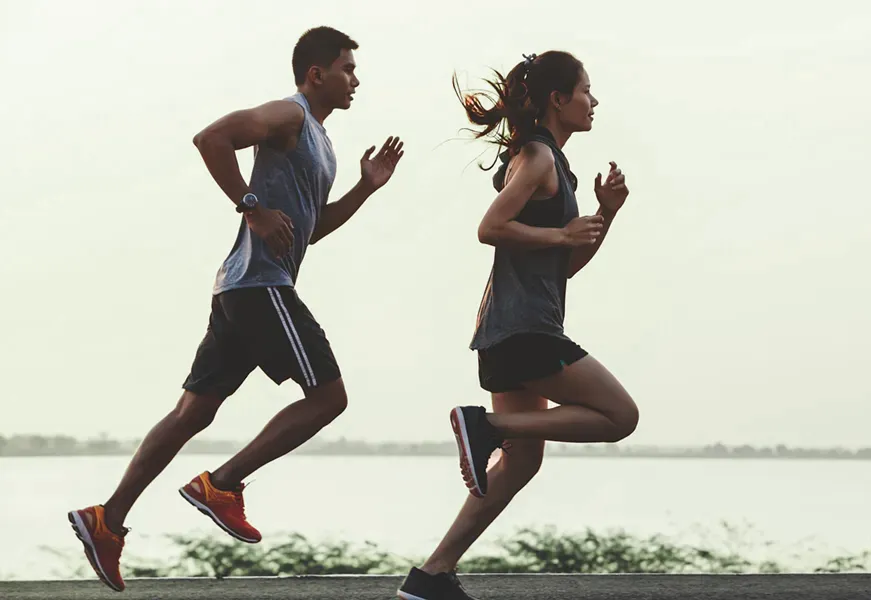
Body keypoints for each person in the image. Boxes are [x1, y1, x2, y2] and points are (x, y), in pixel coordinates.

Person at [67, 26, 405, 592]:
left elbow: (309, 231)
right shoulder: (288, 114)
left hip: (240, 288)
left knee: (192, 413)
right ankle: (221, 484)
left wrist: (366, 188)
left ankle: (107, 520)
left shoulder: (319, 140)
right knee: (328, 397)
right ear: (316, 74)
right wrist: (250, 207)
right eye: (347, 69)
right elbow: (211, 138)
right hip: (260, 287)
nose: (356, 79)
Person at [397, 50, 638, 600]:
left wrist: (606, 216)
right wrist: (559, 235)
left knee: (523, 462)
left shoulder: (555, 165)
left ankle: (430, 576)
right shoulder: (537, 157)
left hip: (513, 329)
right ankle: (486, 427)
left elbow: (564, 266)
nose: (593, 101)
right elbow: (490, 227)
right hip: (525, 330)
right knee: (620, 416)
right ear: (558, 99)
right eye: (585, 91)